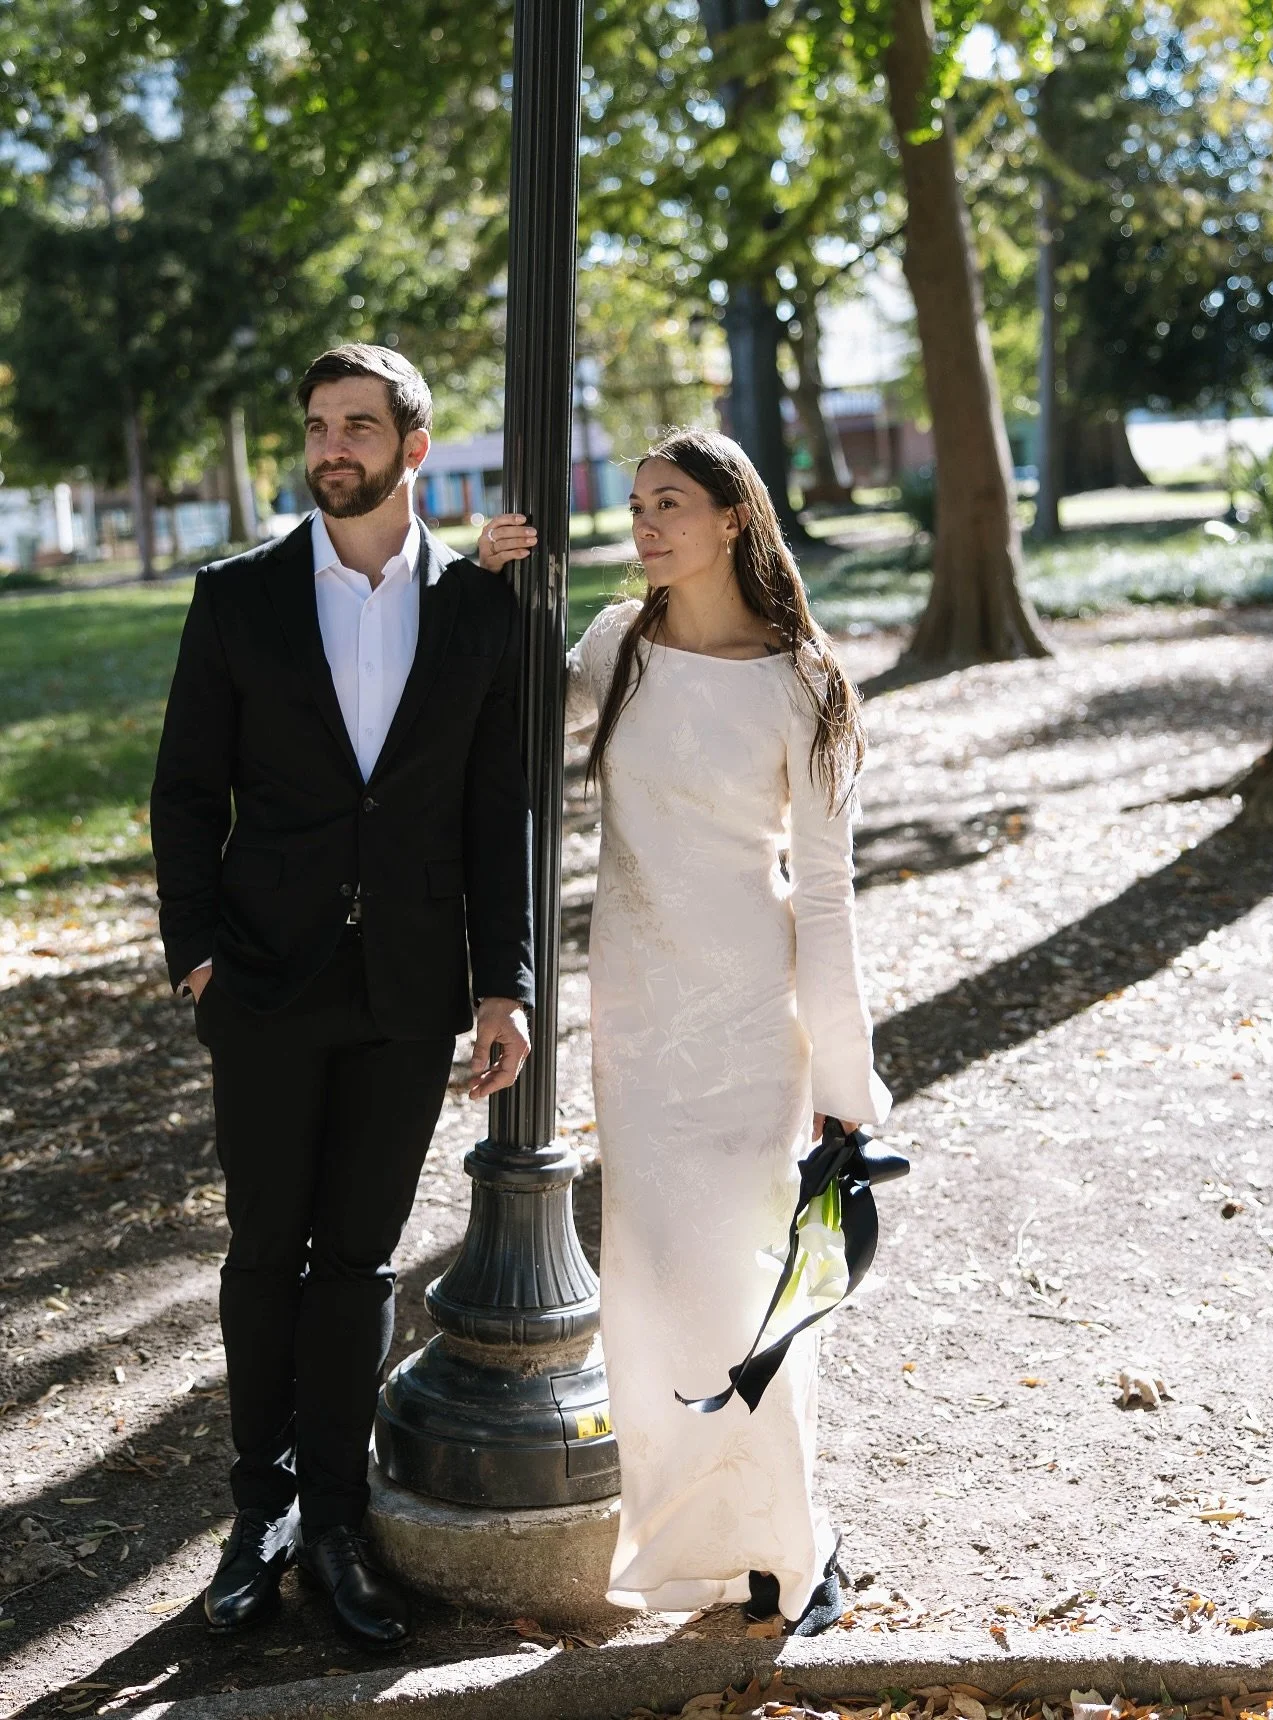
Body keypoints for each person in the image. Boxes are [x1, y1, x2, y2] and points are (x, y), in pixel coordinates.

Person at [150, 344, 536, 1649]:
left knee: (358, 1261)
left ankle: (336, 1520)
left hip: (408, 986)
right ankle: (257, 1514)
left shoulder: (480, 607)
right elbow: (187, 792)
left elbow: (500, 813)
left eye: (357, 425)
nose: (331, 446)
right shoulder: (238, 598)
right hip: (259, 977)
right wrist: (196, 948)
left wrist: (505, 987)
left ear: (411, 449)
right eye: (317, 425)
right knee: (265, 1254)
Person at [481, 426, 891, 1634]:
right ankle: (694, 1557)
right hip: (637, 1014)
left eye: (669, 503)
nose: (643, 524)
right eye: (635, 504)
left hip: (753, 1026)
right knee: (651, 1296)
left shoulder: (805, 682)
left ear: (733, 520)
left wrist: (848, 1080)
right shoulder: (618, 646)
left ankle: (788, 1549)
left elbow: (824, 891)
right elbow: (503, 718)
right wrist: (491, 583)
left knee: (748, 1286)